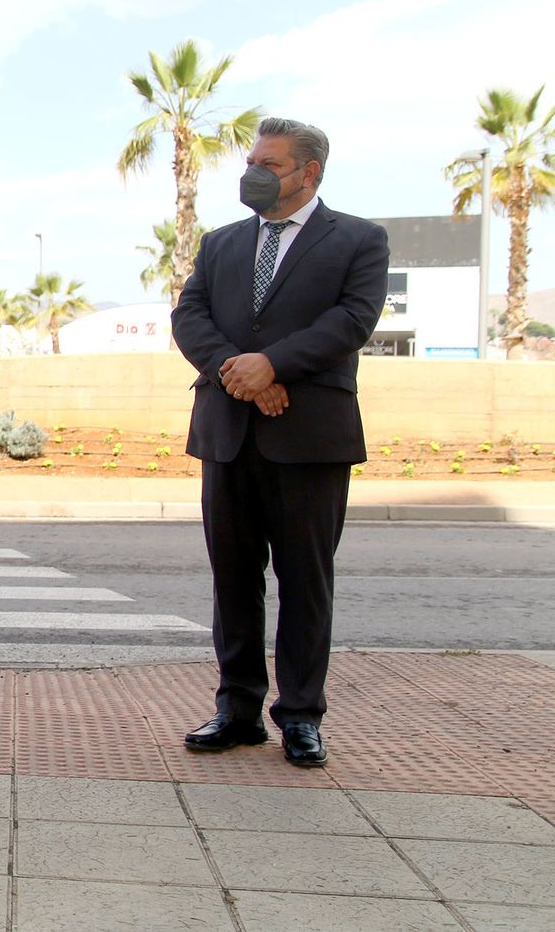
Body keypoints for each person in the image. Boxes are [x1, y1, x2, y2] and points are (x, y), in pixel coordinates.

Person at [171, 116, 389, 768]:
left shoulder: (358, 239)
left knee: (305, 580)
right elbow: (190, 316)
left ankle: (300, 714)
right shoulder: (220, 243)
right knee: (233, 580)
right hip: (229, 434)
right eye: (251, 161)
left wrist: (274, 365)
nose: (253, 173)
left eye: (268, 164)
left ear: (308, 172)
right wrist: (240, 372)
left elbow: (352, 319)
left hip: (309, 438)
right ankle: (238, 709)